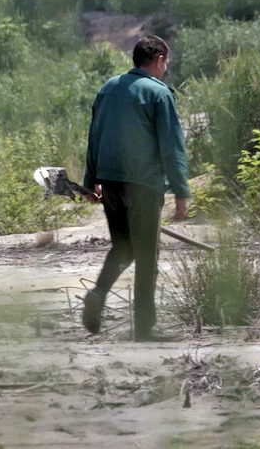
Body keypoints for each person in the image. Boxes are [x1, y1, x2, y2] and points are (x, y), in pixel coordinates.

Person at [81, 35, 191, 341]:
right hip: (143, 186)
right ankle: (144, 328)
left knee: (124, 247)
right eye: (166, 62)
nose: (166, 68)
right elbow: (172, 147)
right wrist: (181, 191)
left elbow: (95, 136)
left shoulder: (108, 88)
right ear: (158, 60)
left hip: (110, 183)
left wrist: (91, 183)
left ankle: (99, 294)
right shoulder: (159, 93)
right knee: (147, 256)